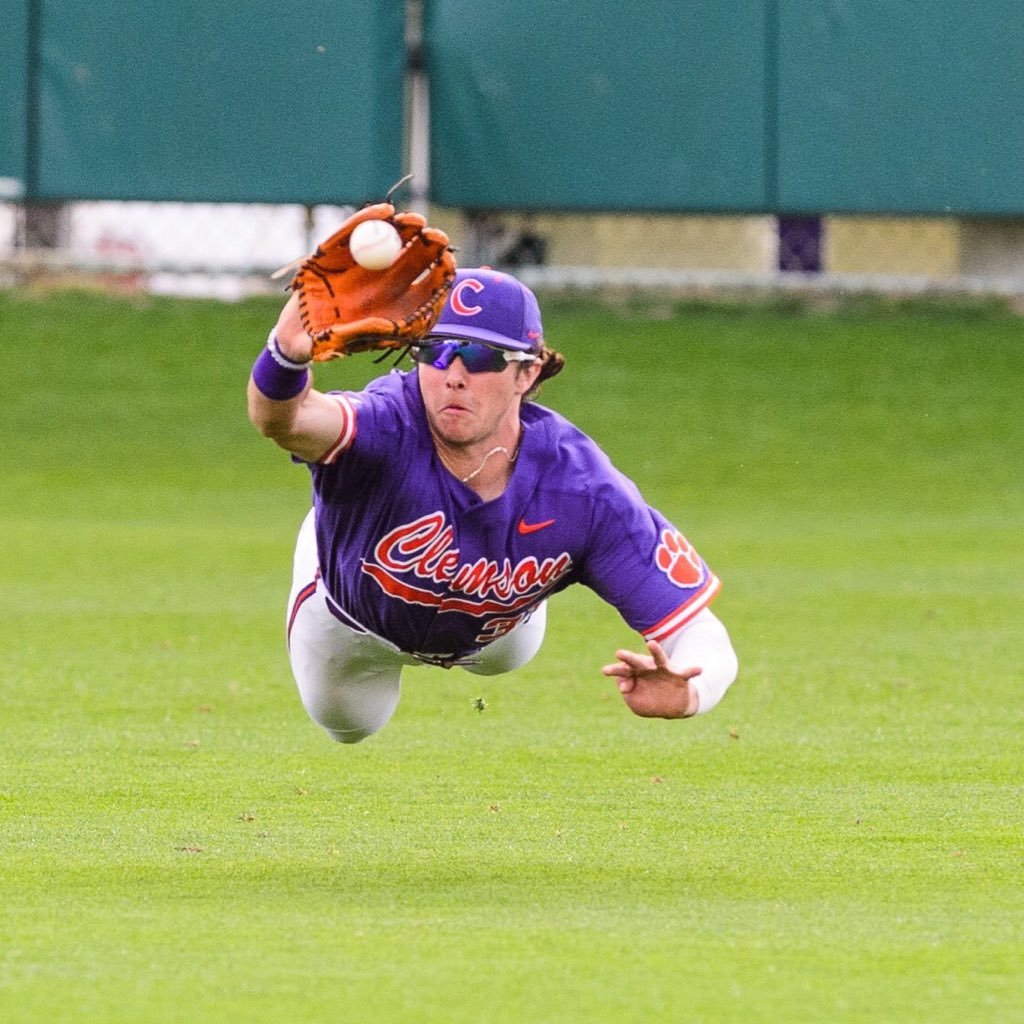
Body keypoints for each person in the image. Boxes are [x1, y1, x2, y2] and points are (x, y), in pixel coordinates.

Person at [248, 267, 738, 743]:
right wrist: (285, 354)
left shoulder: (583, 489)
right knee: (351, 724)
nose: (453, 375)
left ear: (527, 373)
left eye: (480, 356)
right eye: (435, 351)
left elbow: (702, 634)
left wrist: (692, 690)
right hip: (350, 623)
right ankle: (323, 540)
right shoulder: (381, 428)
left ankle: (511, 596)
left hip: (495, 634)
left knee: (507, 654)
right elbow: (285, 421)